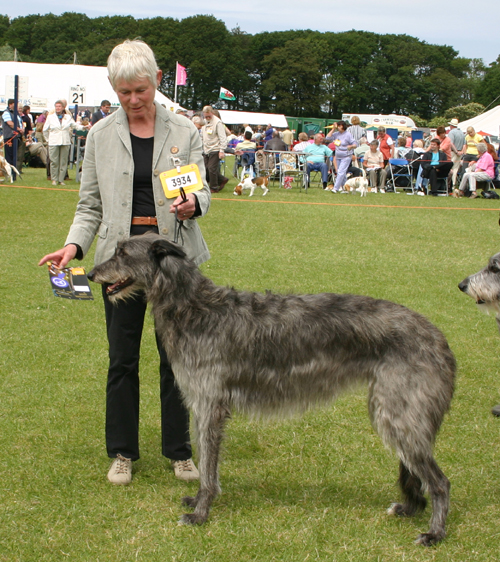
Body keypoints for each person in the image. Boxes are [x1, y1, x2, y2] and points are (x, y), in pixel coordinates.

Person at [38, 39, 211, 486]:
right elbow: (89, 205)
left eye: (140, 90)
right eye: (123, 92)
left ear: (156, 80)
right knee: (122, 360)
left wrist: (193, 202)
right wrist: (73, 247)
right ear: (113, 89)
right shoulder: (99, 134)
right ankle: (122, 452)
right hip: (120, 263)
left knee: (178, 360)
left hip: (173, 262)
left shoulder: (185, 131)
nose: (133, 100)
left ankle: (179, 451)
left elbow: (202, 189)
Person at [43, 100, 78, 186]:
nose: (58, 108)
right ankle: (54, 179)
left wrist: (84, 127)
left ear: (63, 107)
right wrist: (48, 140)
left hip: (65, 141)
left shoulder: (68, 117)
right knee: (54, 161)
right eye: (56, 106)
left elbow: (75, 125)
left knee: (63, 161)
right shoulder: (50, 117)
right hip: (53, 141)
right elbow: (45, 130)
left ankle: (61, 179)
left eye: (59, 106)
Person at [201, 105, 228, 193]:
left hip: (215, 148)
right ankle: (222, 179)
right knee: (205, 168)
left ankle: (214, 187)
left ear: (212, 113)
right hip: (206, 149)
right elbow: (202, 135)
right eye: (206, 116)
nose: (208, 118)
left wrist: (222, 150)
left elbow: (222, 137)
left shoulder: (218, 122)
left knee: (211, 168)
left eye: (209, 116)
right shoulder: (204, 122)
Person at [326, 120, 357, 192]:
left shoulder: (348, 134)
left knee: (340, 172)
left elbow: (355, 143)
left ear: (343, 126)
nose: (338, 127)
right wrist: (333, 129)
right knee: (342, 173)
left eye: (339, 126)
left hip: (346, 156)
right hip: (338, 156)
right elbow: (328, 138)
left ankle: (336, 188)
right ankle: (346, 188)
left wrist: (351, 146)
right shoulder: (336, 134)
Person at [1, 98, 23, 180]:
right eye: (15, 104)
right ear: (10, 104)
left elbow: (20, 122)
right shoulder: (6, 113)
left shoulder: (16, 114)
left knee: (15, 156)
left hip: (17, 137)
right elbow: (9, 123)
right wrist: (18, 129)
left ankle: (14, 175)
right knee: (9, 157)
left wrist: (22, 128)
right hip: (10, 137)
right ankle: (9, 175)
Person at [447, 118, 465, 186]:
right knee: (456, 169)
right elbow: (464, 144)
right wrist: (461, 151)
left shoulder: (451, 132)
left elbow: (451, 143)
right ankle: (454, 184)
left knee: (450, 168)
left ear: (451, 125)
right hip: (459, 152)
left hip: (453, 152)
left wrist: (456, 151)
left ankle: (450, 184)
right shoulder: (461, 132)